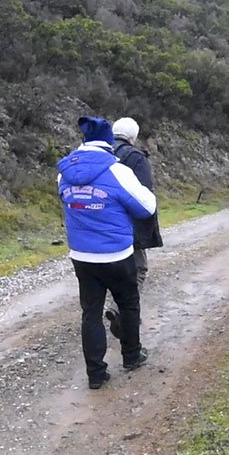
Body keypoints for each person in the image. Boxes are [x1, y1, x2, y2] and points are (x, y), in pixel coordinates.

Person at [57, 116, 154, 390]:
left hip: (82, 256)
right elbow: (146, 206)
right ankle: (132, 355)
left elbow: (65, 199)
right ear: (108, 141)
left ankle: (96, 373)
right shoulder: (117, 170)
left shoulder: (64, 171)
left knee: (90, 312)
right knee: (128, 303)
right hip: (117, 253)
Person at [112, 116, 163, 296]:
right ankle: (121, 312)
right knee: (138, 268)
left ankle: (111, 307)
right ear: (133, 137)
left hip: (102, 223)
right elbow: (144, 195)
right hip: (129, 224)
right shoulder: (134, 157)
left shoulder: (101, 154)